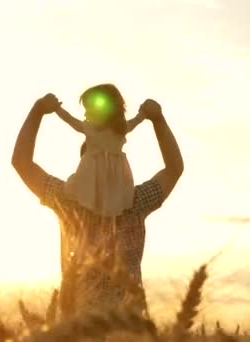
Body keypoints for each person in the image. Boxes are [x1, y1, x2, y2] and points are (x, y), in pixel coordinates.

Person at [11, 85, 184, 315]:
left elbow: (22, 162)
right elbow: (174, 168)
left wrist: (38, 111)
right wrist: (157, 120)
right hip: (121, 328)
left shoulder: (68, 203)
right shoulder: (134, 204)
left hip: (86, 329)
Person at [54, 84, 145, 218]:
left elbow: (137, 121)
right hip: (90, 172)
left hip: (114, 176)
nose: (86, 114)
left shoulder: (119, 130)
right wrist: (57, 109)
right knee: (84, 193)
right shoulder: (90, 128)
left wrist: (144, 114)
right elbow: (70, 120)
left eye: (89, 109)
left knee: (112, 201)